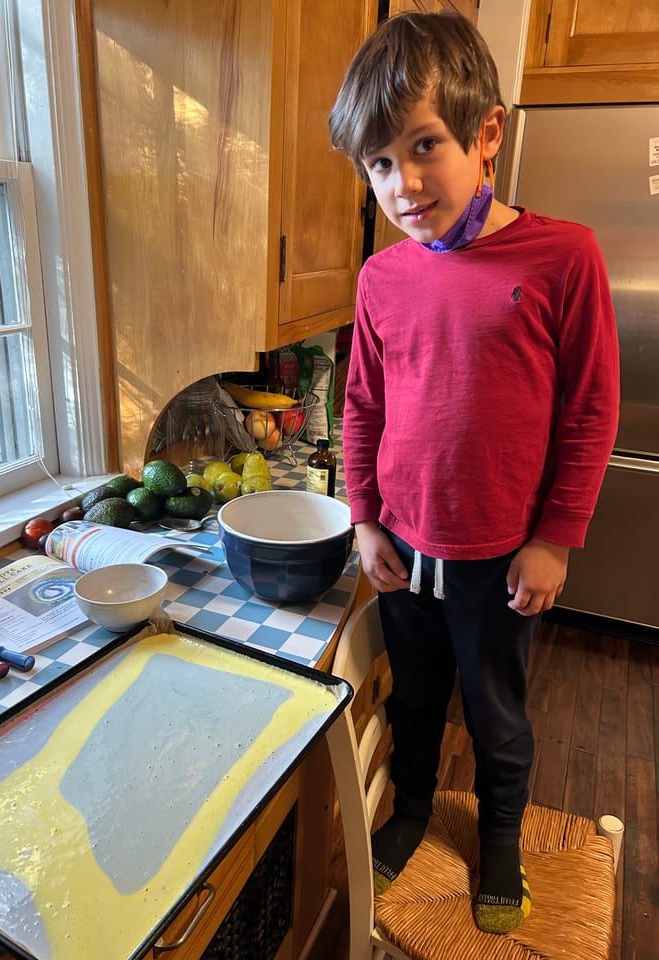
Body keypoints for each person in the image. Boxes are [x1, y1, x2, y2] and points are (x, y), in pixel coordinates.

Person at [328, 11, 619, 936]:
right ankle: (413, 806)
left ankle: (500, 836)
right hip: (404, 545)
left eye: (425, 147)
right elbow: (362, 406)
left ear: (487, 133)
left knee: (496, 711)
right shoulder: (381, 278)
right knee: (414, 698)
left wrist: (554, 539)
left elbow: (589, 412)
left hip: (502, 554)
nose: (403, 184)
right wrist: (365, 516)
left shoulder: (563, 257)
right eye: (378, 163)